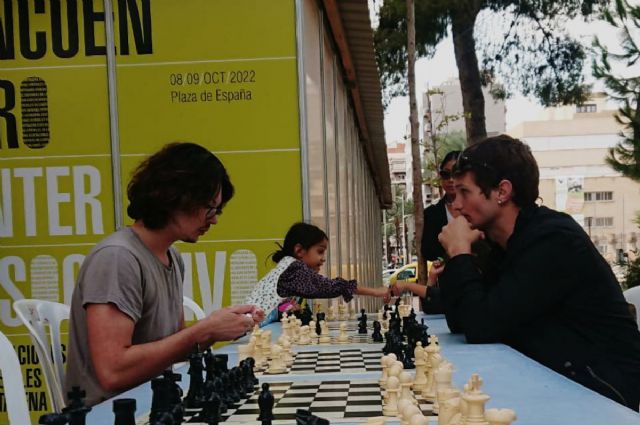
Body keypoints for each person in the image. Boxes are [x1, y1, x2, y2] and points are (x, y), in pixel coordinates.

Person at [437, 134, 640, 410]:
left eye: (465, 192)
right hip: (560, 382)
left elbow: (480, 326)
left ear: (502, 192)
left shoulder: (553, 240)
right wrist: (459, 257)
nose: (456, 205)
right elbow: (461, 320)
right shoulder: (506, 244)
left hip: (603, 395)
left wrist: (460, 252)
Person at [64, 142, 265, 406]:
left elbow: (170, 348)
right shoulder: (117, 258)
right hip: (112, 413)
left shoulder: (172, 258)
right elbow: (112, 371)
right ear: (176, 195)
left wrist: (220, 328)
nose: (214, 219)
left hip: (157, 404)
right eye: (210, 208)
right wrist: (204, 331)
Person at [245, 222, 391, 325]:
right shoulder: (295, 269)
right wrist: (376, 291)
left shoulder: (287, 267)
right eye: (319, 251)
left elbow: (277, 304)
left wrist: (287, 309)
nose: (323, 258)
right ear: (299, 251)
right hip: (253, 331)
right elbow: (330, 286)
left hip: (253, 328)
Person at [417, 150, 460, 313]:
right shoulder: (433, 213)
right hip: (446, 282)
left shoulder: (480, 209)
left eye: (455, 174)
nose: (450, 180)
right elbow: (428, 250)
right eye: (445, 174)